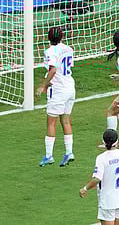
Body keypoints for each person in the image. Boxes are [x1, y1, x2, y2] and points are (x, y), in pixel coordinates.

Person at [80, 129, 119, 225]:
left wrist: (85, 188)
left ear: (103, 141)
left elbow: (97, 179)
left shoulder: (101, 158)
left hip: (108, 200)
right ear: (116, 141)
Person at [36, 27, 75, 167]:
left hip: (58, 90)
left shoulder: (50, 51)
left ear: (48, 38)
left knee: (51, 122)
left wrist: (43, 85)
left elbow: (53, 70)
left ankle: (48, 156)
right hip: (70, 86)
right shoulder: (69, 49)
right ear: (62, 37)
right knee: (65, 121)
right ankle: (69, 152)